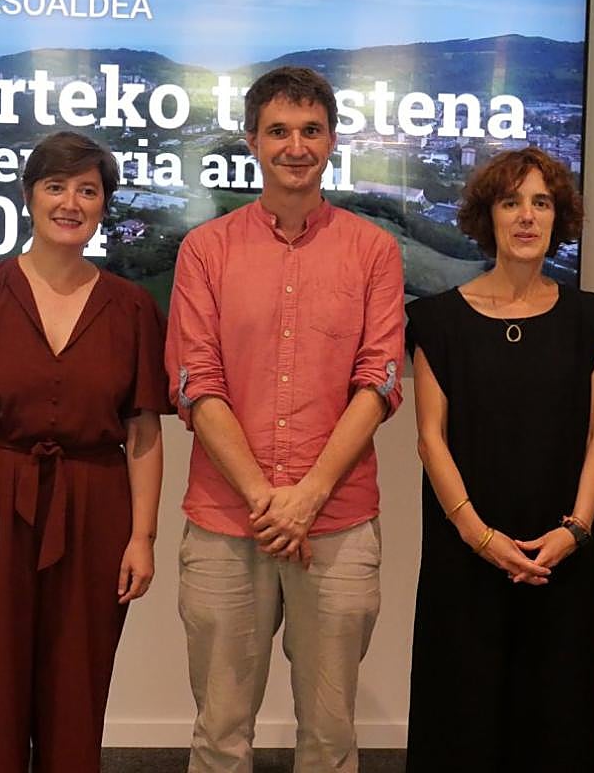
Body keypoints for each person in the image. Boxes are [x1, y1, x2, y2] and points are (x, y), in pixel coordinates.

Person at [165, 65, 404, 773]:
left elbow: (380, 382)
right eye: (278, 131)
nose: (295, 146)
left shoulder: (374, 251)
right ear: (252, 142)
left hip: (338, 521)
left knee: (330, 737)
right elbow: (195, 384)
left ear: (331, 141)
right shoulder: (205, 251)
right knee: (220, 732)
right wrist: (269, 501)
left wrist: (306, 498)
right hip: (223, 521)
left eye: (310, 130)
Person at [0, 130, 168, 773]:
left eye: (87, 190)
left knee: (77, 691)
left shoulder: (134, 308)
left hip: (95, 509)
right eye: (56, 186)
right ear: (29, 196)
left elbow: (144, 431)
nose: (71, 202)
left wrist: (142, 536)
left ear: (102, 204)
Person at [404, 146, 594, 771]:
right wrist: (478, 535)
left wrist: (575, 530)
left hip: (562, 553)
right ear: (486, 217)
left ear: (559, 218)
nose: (527, 216)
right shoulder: (438, 320)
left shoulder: (589, 318)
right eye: (511, 202)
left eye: (541, 203)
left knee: (557, 715)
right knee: (461, 714)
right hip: (464, 552)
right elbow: (429, 439)